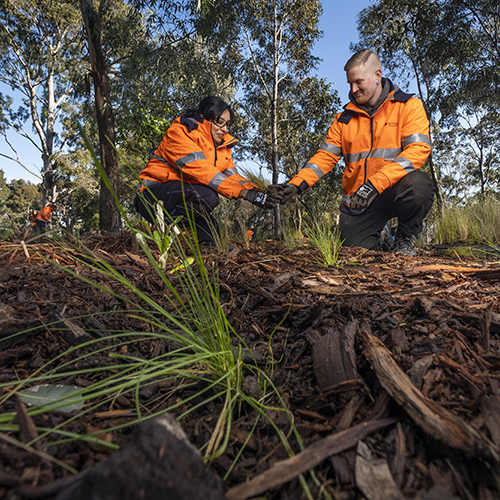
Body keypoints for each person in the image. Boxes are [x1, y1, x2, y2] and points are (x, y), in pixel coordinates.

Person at [270, 49, 435, 256]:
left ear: (377, 76)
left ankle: (404, 238)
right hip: (359, 201)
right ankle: (381, 236)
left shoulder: (408, 106)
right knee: (354, 254)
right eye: (350, 83)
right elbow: (324, 158)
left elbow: (418, 150)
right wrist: (296, 185)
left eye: (358, 82)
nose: (353, 89)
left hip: (393, 190)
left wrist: (376, 183)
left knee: (419, 186)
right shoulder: (343, 119)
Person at [134, 96, 279, 246]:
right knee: (207, 197)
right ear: (203, 117)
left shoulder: (221, 147)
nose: (225, 129)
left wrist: (259, 192)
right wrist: (243, 193)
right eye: (219, 122)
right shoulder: (180, 132)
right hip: (151, 196)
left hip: (186, 195)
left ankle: (202, 254)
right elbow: (203, 171)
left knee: (211, 232)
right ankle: (166, 234)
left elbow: (233, 178)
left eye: (228, 125)